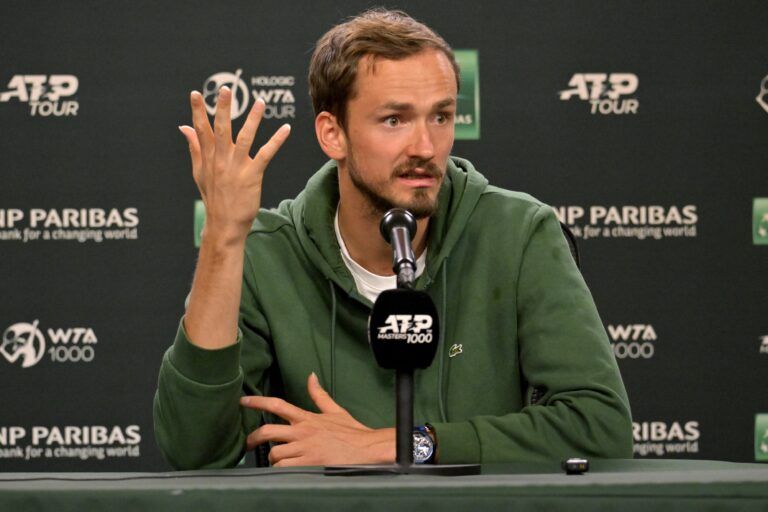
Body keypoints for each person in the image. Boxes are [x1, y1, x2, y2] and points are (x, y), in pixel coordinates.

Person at [154, 8, 632, 469]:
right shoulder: (267, 255)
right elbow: (195, 450)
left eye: (441, 117)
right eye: (394, 120)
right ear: (332, 133)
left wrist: (402, 446)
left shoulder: (519, 234)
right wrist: (222, 237)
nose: (425, 148)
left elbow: (600, 428)